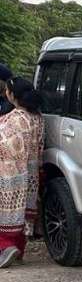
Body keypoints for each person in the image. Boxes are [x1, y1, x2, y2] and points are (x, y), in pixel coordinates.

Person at [0, 77, 45, 267]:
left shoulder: (12, 119)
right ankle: (19, 248)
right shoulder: (38, 117)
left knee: (6, 210)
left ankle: (6, 247)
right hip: (31, 173)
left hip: (8, 174)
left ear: (12, 95)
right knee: (23, 211)